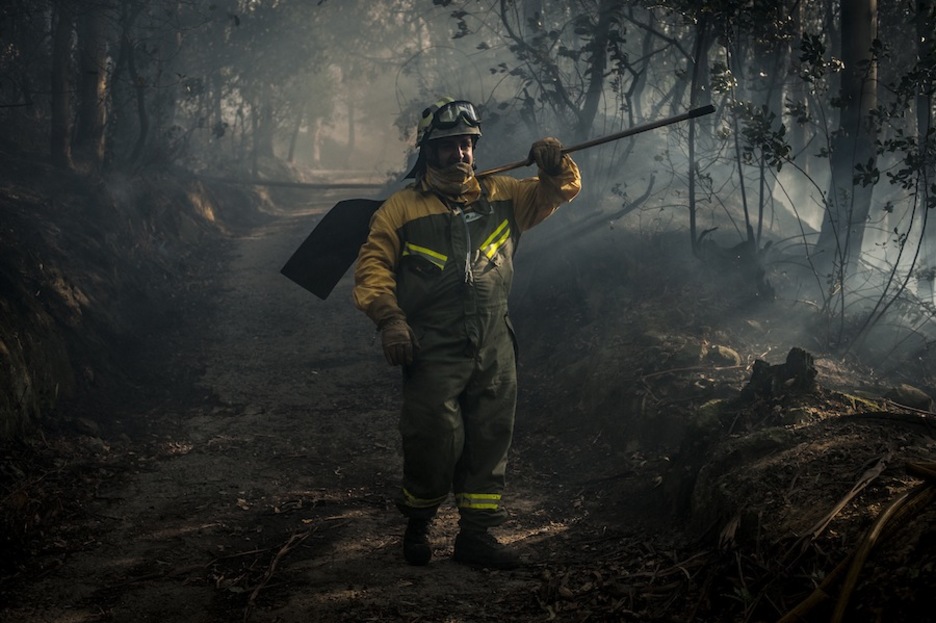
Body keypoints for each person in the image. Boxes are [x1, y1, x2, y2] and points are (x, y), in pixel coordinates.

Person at [353, 96, 581, 568]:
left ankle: (475, 537)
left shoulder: (504, 194)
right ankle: (418, 523)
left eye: (466, 145)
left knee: (489, 437)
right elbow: (373, 267)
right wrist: (391, 320)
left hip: (494, 341)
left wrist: (555, 165)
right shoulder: (401, 209)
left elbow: (556, 191)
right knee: (432, 439)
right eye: (448, 147)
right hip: (431, 346)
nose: (459, 155)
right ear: (428, 153)